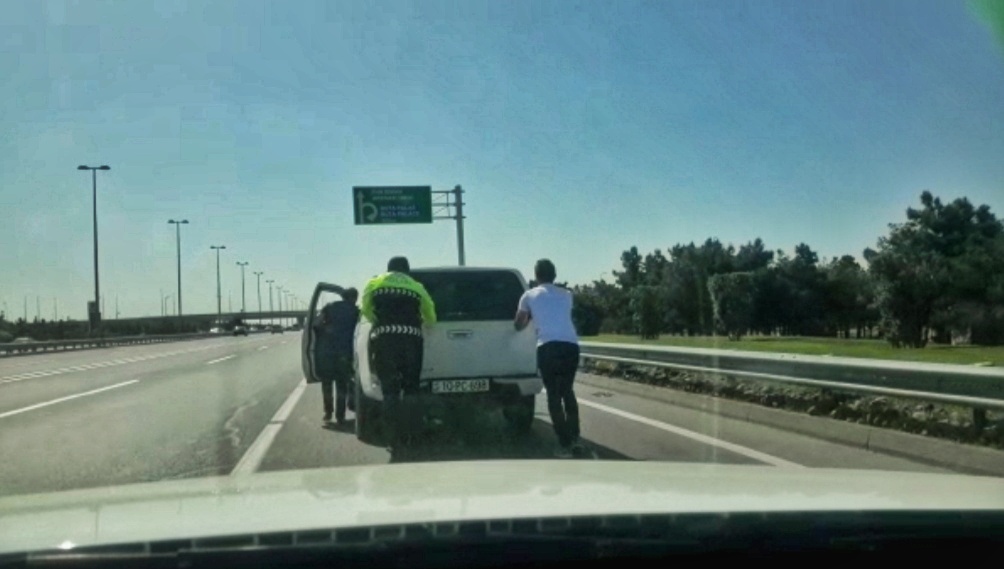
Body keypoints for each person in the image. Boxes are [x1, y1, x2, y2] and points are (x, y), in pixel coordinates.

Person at [360, 256, 437, 454]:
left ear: (388, 269)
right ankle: (413, 435)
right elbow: (431, 316)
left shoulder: (374, 282)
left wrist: (382, 322)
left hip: (384, 341)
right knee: (411, 389)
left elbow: (366, 312)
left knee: (390, 391)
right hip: (411, 341)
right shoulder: (416, 286)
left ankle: (393, 439)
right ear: (407, 270)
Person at [514, 259, 584, 458]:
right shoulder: (567, 294)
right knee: (567, 391)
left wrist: (528, 319)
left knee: (553, 394)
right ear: (554, 275)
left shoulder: (528, 296)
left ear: (536, 276)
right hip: (570, 345)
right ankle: (575, 437)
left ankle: (564, 443)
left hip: (547, 346)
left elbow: (518, 324)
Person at [314, 288, 359, 427]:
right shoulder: (356, 311)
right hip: (344, 353)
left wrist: (325, 331)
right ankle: (340, 417)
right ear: (354, 298)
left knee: (327, 384)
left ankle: (328, 412)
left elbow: (316, 323)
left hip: (326, 352)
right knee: (342, 386)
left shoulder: (329, 307)